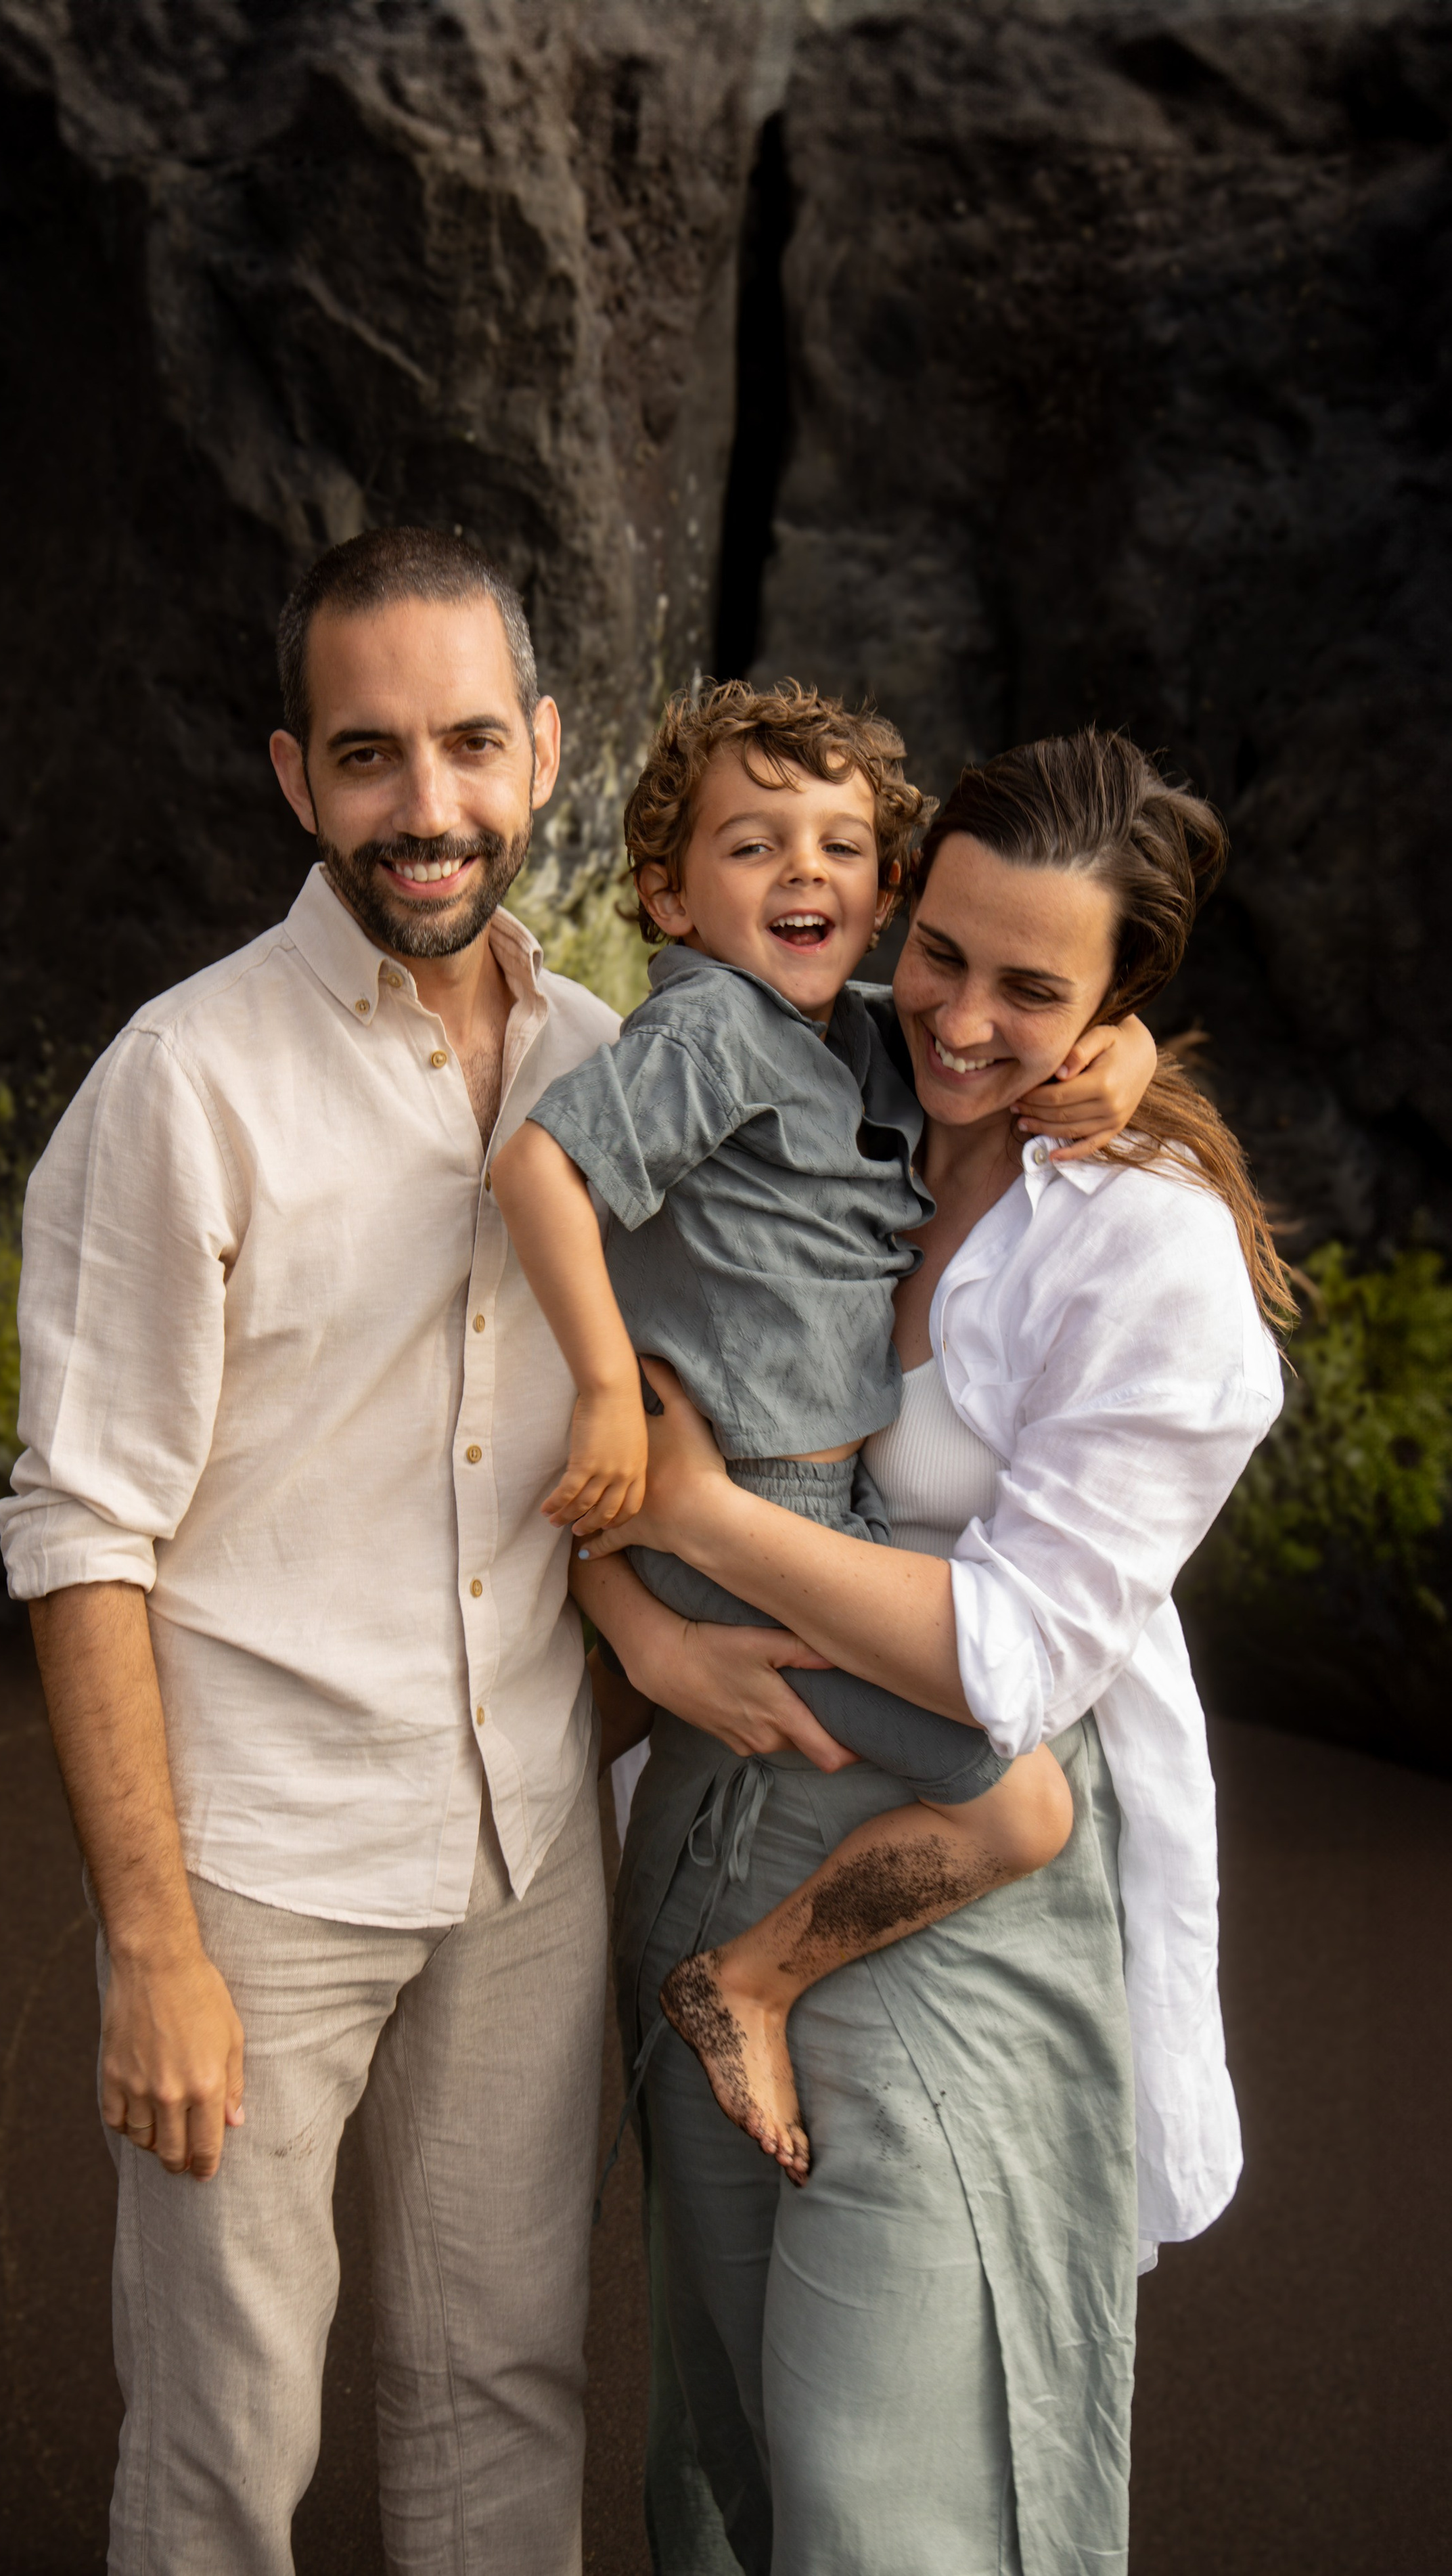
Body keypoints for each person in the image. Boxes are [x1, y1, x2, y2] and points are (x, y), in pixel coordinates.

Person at [573, 729, 1291, 2576]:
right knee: (722, 2463)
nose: (959, 1013)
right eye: (941, 949)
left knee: (888, 2499)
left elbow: (1007, 1659)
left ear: (1125, 998)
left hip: (948, 1895)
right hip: (720, 1818)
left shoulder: (1150, 1253)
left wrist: (711, 1520)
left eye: (1036, 987)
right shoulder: (820, 1079)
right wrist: (646, 1617)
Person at [0, 527, 624, 2576]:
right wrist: (154, 1949)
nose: (424, 808)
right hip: (256, 1873)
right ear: (294, 776)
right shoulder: (181, 1085)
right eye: (369, 757)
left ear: (543, 752)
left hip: (527, 1849)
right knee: (223, 2445)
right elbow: (85, 1533)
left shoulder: (609, 1067)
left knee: (506, 2393)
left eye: (464, 746)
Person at [491, 682, 1157, 2173]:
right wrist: (604, 1386)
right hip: (741, 1514)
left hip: (800, 1513)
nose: (805, 871)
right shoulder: (713, 1032)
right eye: (753, 843)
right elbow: (538, 1172)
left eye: (843, 845)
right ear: (665, 890)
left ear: (886, 895)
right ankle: (745, 1981)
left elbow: (994, 1041)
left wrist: (1126, 1058)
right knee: (1021, 1804)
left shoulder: (848, 1037)